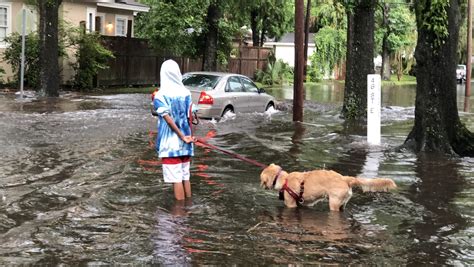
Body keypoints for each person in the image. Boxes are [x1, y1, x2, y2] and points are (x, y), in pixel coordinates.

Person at [153, 59, 195, 200]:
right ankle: (188, 208)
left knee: (176, 180)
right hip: (187, 143)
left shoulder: (160, 95)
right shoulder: (186, 93)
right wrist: (188, 136)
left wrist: (181, 136)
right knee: (185, 177)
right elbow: (192, 116)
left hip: (171, 145)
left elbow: (167, 118)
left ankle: (179, 215)